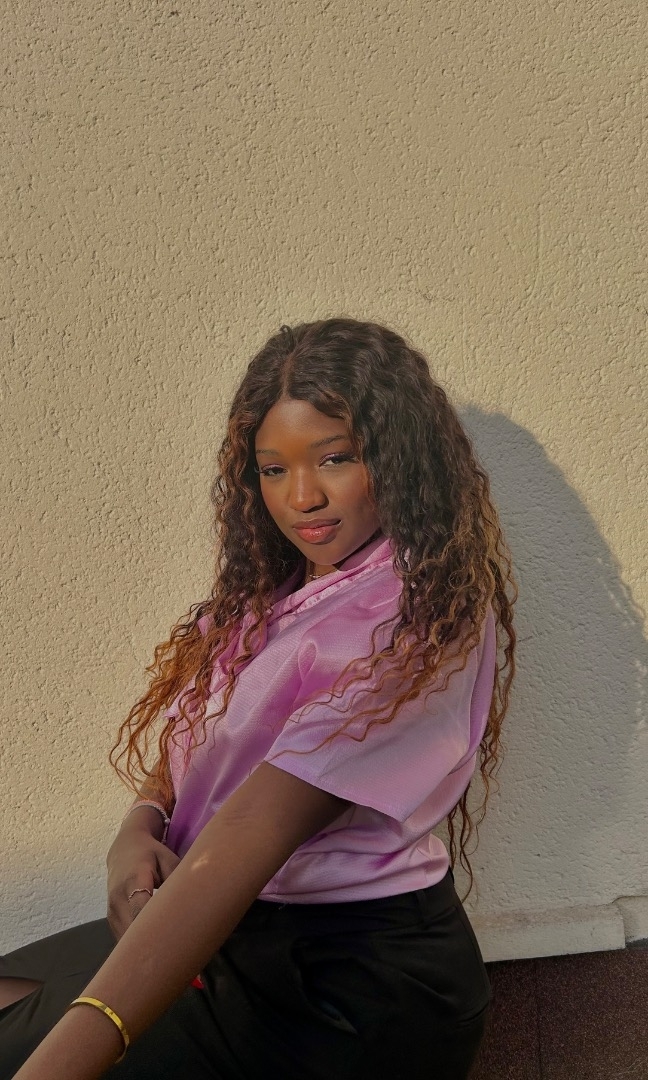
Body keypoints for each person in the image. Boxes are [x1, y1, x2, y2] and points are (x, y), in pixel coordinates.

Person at [1, 318, 516, 1080]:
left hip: (351, 993)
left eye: (335, 458)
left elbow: (254, 829)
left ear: (398, 456)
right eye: (274, 469)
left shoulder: (414, 618)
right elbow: (200, 743)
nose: (302, 496)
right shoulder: (275, 595)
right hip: (233, 928)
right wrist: (139, 826)